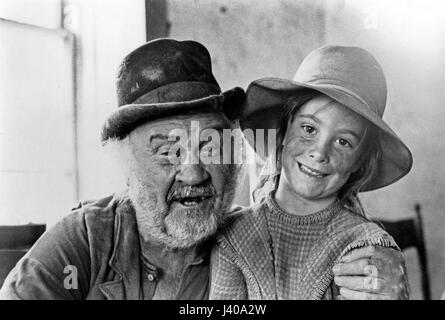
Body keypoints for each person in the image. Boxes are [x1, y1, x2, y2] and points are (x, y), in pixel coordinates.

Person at [0, 39, 408, 300]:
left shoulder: (236, 235)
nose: (194, 173)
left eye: (210, 145)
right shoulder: (87, 240)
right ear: (128, 165)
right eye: (167, 150)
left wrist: (383, 272)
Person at [210, 45, 413, 300]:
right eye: (309, 129)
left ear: (359, 162)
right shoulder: (233, 236)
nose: (319, 152)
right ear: (283, 131)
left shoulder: (366, 249)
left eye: (343, 142)